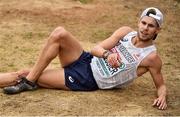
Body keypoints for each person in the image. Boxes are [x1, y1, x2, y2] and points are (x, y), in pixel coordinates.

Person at [0, 7, 167, 110]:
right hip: (86, 59)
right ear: (139, 22)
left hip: (89, 79)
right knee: (60, 33)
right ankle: (30, 81)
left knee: (23, 73)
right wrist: (107, 55)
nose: (145, 28)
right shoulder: (125, 32)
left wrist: (162, 96)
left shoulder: (151, 58)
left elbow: (161, 85)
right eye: (143, 23)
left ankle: (28, 80)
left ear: (157, 30)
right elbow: (95, 49)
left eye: (151, 26)